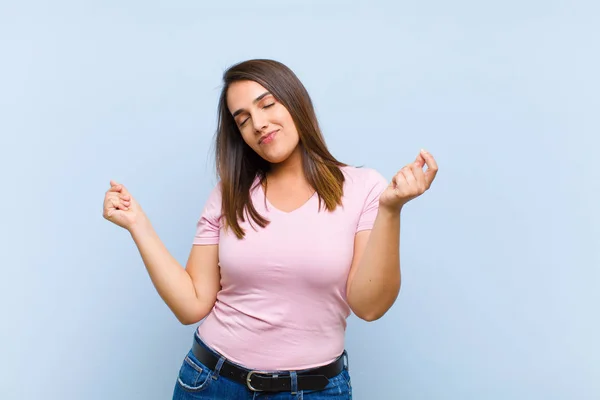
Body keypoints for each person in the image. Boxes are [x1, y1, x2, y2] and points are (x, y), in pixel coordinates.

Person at [102, 59, 438, 399]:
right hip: (212, 383)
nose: (259, 125)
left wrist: (391, 210)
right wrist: (137, 224)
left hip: (313, 390)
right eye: (244, 120)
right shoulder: (229, 193)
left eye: (266, 104)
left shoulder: (363, 188)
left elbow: (370, 306)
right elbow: (190, 304)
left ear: (294, 101)